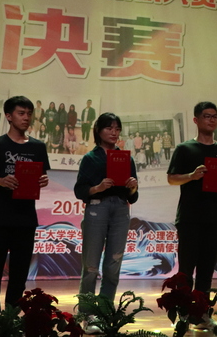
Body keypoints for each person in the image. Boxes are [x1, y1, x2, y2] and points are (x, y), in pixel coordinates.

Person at [0, 96, 50, 313]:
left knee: (19, 274)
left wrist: (43, 181)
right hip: (0, 218)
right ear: (9, 116)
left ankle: (11, 316)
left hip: (26, 219)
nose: (26, 117)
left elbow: (41, 176)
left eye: (29, 114)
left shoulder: (38, 147)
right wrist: (0, 181)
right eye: (21, 113)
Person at [167, 101, 217, 327]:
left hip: (214, 217)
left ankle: (202, 314)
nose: (212, 120)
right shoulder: (185, 149)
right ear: (196, 120)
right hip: (189, 217)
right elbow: (171, 178)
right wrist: (192, 176)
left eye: (215, 116)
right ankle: (183, 314)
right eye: (207, 116)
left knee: (207, 269)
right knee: (186, 269)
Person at [74, 113, 138, 330]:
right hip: (97, 208)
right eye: (109, 128)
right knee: (91, 266)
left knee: (113, 265)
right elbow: (80, 190)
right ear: (98, 130)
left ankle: (104, 313)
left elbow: (133, 196)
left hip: (121, 210)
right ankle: (87, 315)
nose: (114, 132)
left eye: (117, 129)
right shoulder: (91, 158)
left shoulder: (126, 158)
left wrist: (133, 187)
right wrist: (97, 188)